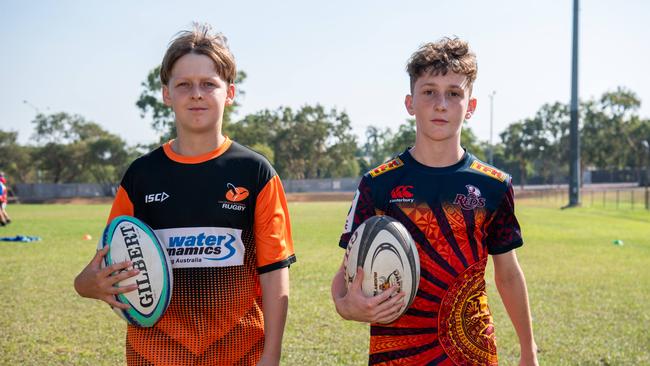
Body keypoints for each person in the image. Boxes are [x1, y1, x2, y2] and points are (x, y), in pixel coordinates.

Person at [74, 23, 296, 366]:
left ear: (230, 93)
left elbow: (274, 272)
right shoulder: (141, 175)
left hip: (239, 351)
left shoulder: (256, 173)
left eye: (209, 84)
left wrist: (271, 355)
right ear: (166, 94)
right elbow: (110, 264)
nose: (196, 93)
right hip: (155, 353)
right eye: (184, 85)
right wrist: (86, 284)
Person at [331, 37, 538, 365]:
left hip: (471, 353)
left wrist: (528, 351)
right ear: (410, 103)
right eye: (429, 91)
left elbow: (508, 274)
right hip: (396, 353)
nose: (441, 103)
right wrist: (347, 307)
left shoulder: (494, 185)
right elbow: (344, 275)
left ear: (470, 107)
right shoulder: (378, 184)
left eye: (454, 93)